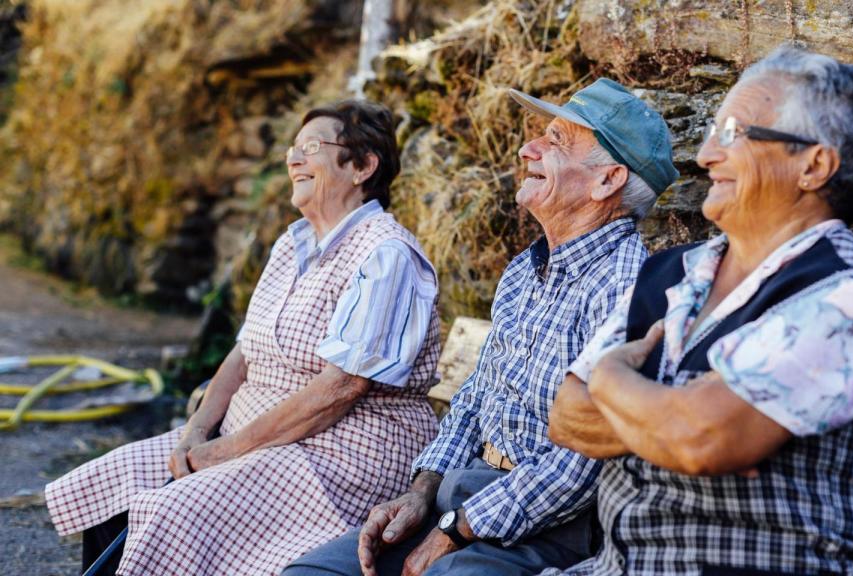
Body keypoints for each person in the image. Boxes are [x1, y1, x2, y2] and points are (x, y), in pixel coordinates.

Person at [547, 45, 853, 575]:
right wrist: (678, 417)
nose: (705, 155)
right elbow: (567, 419)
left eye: (732, 134)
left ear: (813, 165)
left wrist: (613, 378)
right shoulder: (670, 273)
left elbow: (702, 438)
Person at [284, 78, 679, 576]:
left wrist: (456, 529)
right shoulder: (525, 270)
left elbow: (580, 464)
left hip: (549, 526)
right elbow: (475, 396)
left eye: (555, 142)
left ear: (608, 181)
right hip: (463, 495)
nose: (526, 148)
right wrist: (420, 492)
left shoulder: (626, 287)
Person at [44, 100, 443, 576]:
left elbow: (340, 389)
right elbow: (243, 353)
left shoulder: (386, 254)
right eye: (293, 148)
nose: (293, 159)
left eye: (312, 147)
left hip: (339, 458)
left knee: (171, 513)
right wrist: (196, 431)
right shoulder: (292, 244)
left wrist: (224, 452)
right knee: (114, 482)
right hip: (257, 438)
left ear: (362, 166)